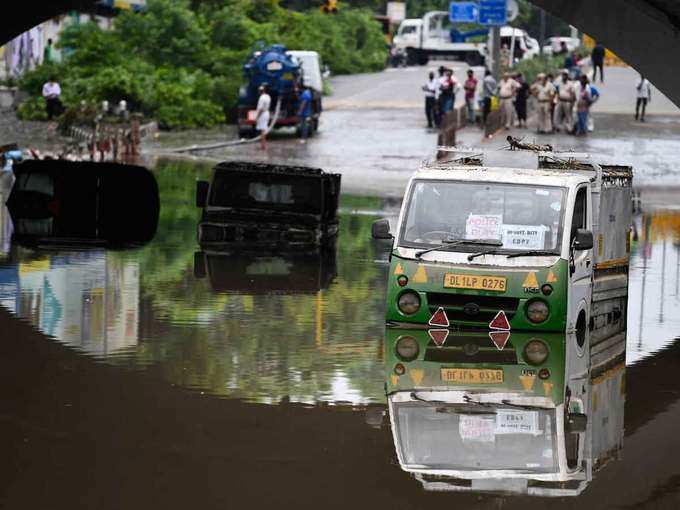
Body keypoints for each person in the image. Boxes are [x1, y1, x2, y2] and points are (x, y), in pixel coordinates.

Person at [255, 84, 271, 150]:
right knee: (264, 130)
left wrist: (257, 117)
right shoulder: (268, 96)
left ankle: (263, 146)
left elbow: (261, 109)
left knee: (262, 130)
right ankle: (263, 145)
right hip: (267, 113)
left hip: (263, 114)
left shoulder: (262, 97)